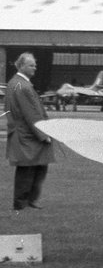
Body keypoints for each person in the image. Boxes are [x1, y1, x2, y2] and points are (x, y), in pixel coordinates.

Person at [6, 53, 55, 210]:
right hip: (28, 136)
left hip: (24, 134)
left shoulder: (15, 83)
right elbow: (31, 114)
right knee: (27, 170)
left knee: (37, 167)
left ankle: (30, 200)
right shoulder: (23, 86)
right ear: (21, 66)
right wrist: (44, 135)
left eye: (35, 64)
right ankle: (22, 203)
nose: (35, 67)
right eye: (31, 65)